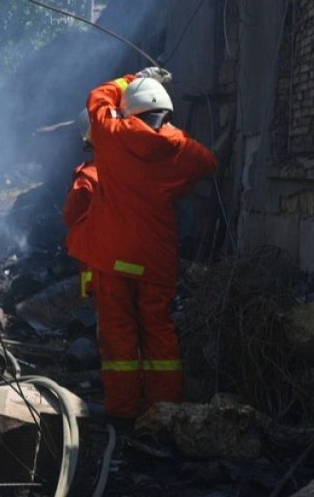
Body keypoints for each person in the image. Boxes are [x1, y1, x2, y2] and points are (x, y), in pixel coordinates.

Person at [67, 68, 217, 419]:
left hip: (112, 256)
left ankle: (123, 411)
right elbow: (208, 163)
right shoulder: (179, 147)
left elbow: (97, 98)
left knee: (118, 334)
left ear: (130, 111)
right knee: (159, 332)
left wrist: (133, 78)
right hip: (155, 259)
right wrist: (172, 143)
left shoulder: (112, 134)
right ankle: (164, 410)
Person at [63, 109, 98, 299]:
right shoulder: (139, 169)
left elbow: (70, 216)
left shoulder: (88, 178)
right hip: (147, 262)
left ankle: (89, 300)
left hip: (103, 264)